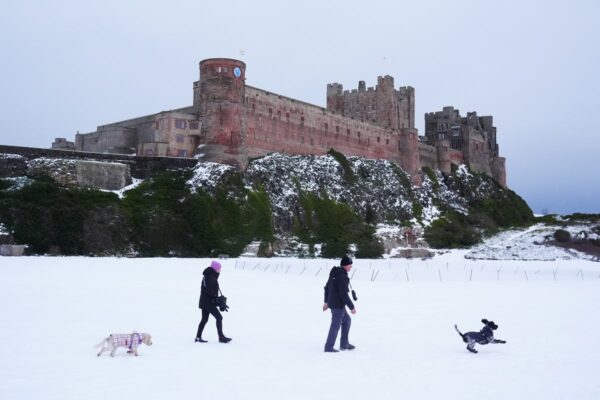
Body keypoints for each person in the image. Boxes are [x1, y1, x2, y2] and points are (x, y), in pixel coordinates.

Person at [323, 255, 356, 352]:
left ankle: (344, 344)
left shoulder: (335, 273)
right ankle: (328, 347)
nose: (351, 267)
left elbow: (327, 287)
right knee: (335, 325)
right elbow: (343, 294)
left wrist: (326, 301)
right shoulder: (342, 277)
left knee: (346, 321)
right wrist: (352, 307)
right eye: (350, 265)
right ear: (345, 265)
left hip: (334, 303)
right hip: (338, 305)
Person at [195, 260, 232, 343]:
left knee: (204, 319)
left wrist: (216, 299)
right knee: (219, 317)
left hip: (205, 301)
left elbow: (210, 290)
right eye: (219, 268)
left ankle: (198, 337)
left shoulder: (209, 276)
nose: (220, 270)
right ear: (215, 268)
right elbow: (210, 291)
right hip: (208, 302)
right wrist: (218, 300)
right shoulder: (209, 277)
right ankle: (221, 337)